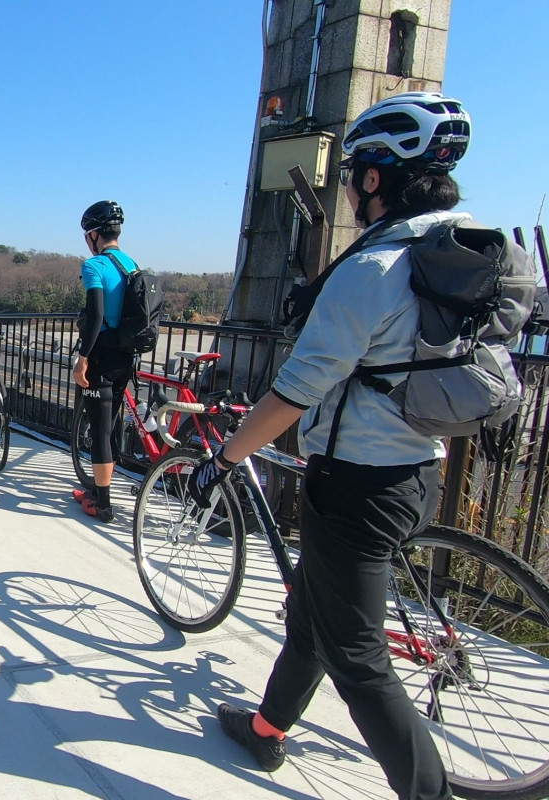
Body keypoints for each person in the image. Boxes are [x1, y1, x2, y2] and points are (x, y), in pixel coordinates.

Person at [189, 93, 472, 800]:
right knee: (312, 611)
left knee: (359, 659)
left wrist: (223, 457)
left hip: (357, 482)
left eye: (352, 173)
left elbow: (294, 392)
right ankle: (266, 727)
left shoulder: (374, 270)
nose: (348, 186)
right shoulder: (463, 250)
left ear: (376, 178)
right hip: (418, 466)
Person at [71, 200, 139, 523]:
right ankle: (98, 491)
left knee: (99, 430)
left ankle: (104, 506)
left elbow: (96, 315)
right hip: (126, 357)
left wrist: (82, 359)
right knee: (109, 425)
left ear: (94, 235)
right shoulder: (131, 264)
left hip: (102, 355)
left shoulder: (94, 266)